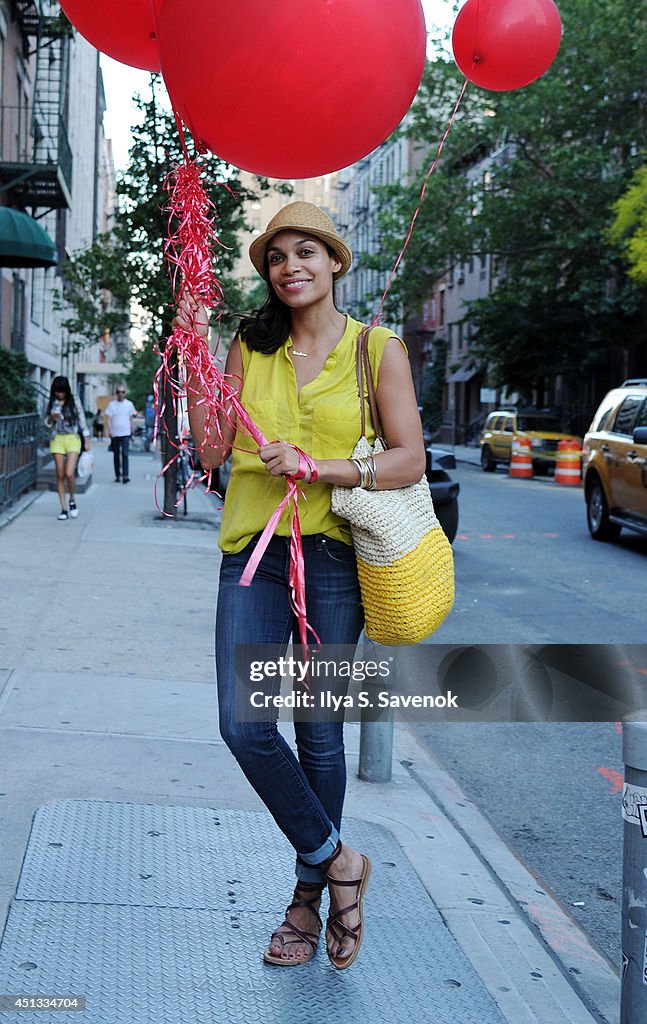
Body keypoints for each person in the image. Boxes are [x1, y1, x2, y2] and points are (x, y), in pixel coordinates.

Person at [180, 202, 426, 970]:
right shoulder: (248, 349)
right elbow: (210, 450)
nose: (290, 266)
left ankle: (303, 901)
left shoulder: (374, 350)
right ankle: (339, 859)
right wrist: (195, 352)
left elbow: (408, 458)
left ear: (334, 263)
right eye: (276, 256)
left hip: (331, 557)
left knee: (318, 732)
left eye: (305, 252)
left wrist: (321, 468)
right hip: (253, 549)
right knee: (243, 725)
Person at [44, 376, 91, 521]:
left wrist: (86, 439)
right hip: (57, 439)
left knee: (70, 473)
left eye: (62, 391)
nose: (60, 394)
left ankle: (72, 499)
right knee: (60, 475)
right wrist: (51, 418)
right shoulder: (51, 402)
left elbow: (81, 419)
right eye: (57, 391)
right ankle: (63, 508)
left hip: (73, 439)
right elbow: (46, 423)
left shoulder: (74, 400)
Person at [105, 386, 136, 483]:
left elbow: (131, 419)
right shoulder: (112, 405)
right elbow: (108, 418)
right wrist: (109, 430)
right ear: (116, 393)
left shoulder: (129, 404)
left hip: (125, 432)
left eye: (122, 392)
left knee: (125, 454)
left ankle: (125, 475)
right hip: (115, 433)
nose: (120, 394)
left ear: (125, 393)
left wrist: (132, 432)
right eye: (118, 392)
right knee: (116, 455)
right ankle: (118, 475)